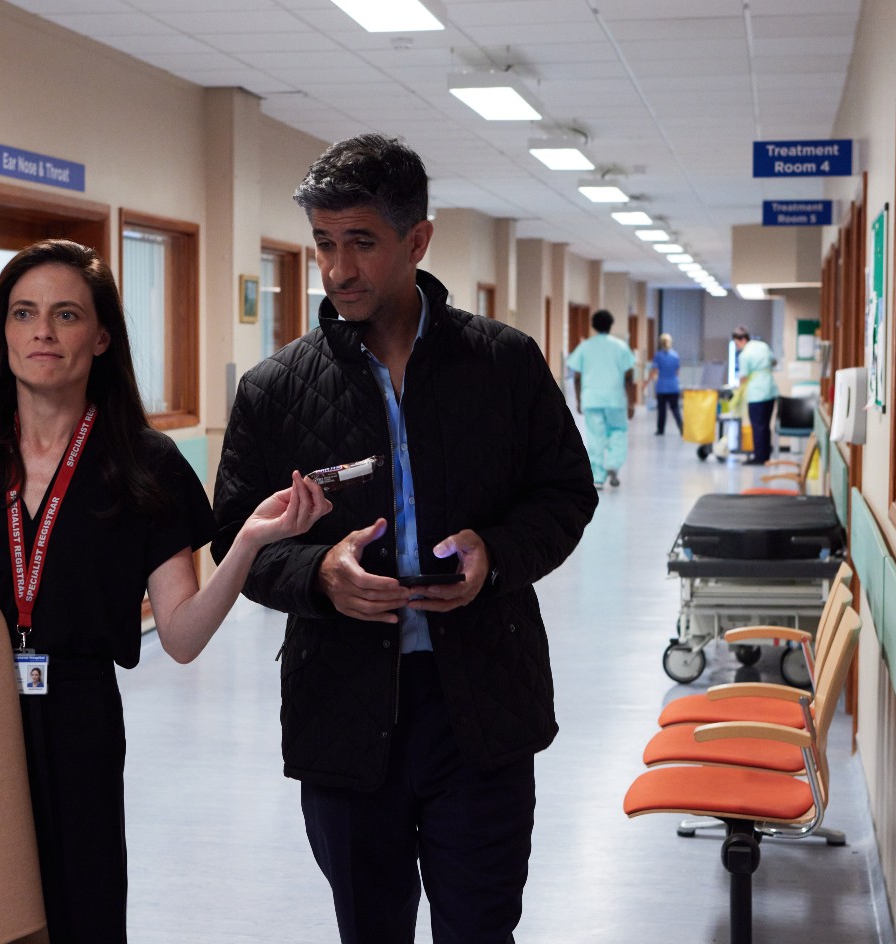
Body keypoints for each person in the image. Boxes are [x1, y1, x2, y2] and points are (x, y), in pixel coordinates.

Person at [212, 133, 597, 944]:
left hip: (482, 707)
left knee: (480, 929)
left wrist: (495, 557)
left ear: (416, 241)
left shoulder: (504, 364)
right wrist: (319, 574)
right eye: (323, 243)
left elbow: (565, 492)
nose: (338, 268)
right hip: (346, 716)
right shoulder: (275, 390)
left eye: (361, 242)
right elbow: (235, 540)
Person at [0, 238, 330, 943]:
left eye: (65, 315)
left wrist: (247, 542)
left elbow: (182, 636)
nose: (42, 331)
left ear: (100, 337)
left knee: (81, 911)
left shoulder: (144, 465)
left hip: (78, 718)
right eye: (23, 313)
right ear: (0, 331)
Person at [566, 309, 637, 488]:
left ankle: (597, 476)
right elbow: (629, 377)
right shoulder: (621, 347)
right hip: (615, 399)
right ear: (611, 325)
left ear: (593, 325)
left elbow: (576, 377)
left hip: (591, 398)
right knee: (618, 431)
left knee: (595, 436)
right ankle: (613, 464)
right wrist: (631, 402)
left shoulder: (585, 346)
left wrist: (579, 400)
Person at [732, 325, 778, 465]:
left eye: (736, 343)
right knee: (766, 425)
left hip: (757, 393)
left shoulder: (745, 354)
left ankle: (759, 457)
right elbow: (774, 361)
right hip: (770, 390)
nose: (737, 346)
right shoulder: (762, 345)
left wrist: (737, 391)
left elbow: (743, 377)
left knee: (757, 426)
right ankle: (766, 455)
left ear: (741, 340)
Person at [643, 332, 683, 435]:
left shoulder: (658, 355)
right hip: (673, 386)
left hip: (662, 386)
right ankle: (682, 428)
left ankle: (660, 430)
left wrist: (645, 383)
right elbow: (678, 372)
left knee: (662, 410)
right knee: (675, 409)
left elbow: (654, 372)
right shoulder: (675, 355)